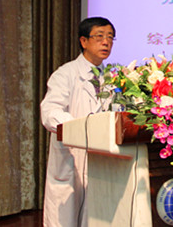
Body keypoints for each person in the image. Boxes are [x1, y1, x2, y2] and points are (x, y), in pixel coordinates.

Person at [40, 16, 116, 227]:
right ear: (84, 41)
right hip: (71, 157)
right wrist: (80, 129)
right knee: (66, 218)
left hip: (101, 159)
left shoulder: (112, 78)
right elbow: (49, 112)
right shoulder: (66, 74)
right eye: (99, 36)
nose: (106, 42)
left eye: (110, 37)